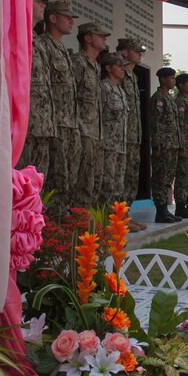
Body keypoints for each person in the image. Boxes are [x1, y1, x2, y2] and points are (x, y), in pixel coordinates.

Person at [19, 0, 78, 217]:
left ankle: (48, 229)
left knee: (57, 178)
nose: (71, 20)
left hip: (52, 123)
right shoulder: (39, 42)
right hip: (34, 123)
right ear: (53, 19)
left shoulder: (52, 47)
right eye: (66, 15)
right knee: (33, 179)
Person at [72, 21, 109, 208]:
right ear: (87, 38)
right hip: (83, 131)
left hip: (96, 133)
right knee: (83, 182)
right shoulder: (78, 63)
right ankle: (79, 226)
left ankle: (91, 227)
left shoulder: (95, 67)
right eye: (100, 35)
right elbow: (72, 98)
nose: (104, 39)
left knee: (95, 182)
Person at [116, 38, 147, 227]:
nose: (140, 54)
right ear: (125, 53)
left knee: (131, 177)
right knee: (119, 178)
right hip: (120, 136)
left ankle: (125, 215)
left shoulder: (133, 77)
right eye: (137, 51)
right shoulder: (119, 76)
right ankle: (117, 217)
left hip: (134, 135)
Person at [149, 66, 181, 222]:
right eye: (171, 78)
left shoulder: (170, 99)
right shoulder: (158, 98)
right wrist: (156, 146)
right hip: (163, 146)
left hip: (172, 145)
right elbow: (155, 124)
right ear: (163, 79)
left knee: (168, 178)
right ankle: (160, 211)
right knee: (160, 178)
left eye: (174, 78)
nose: (173, 81)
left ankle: (165, 210)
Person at [97, 51, 129, 205]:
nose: (123, 69)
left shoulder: (121, 91)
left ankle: (118, 219)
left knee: (118, 185)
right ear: (109, 68)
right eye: (119, 66)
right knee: (107, 183)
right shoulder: (103, 87)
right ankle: (105, 220)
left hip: (121, 146)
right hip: (107, 145)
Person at [172, 73, 188, 217]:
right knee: (182, 177)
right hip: (184, 147)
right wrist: (181, 146)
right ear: (181, 85)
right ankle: (180, 207)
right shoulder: (179, 102)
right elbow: (179, 127)